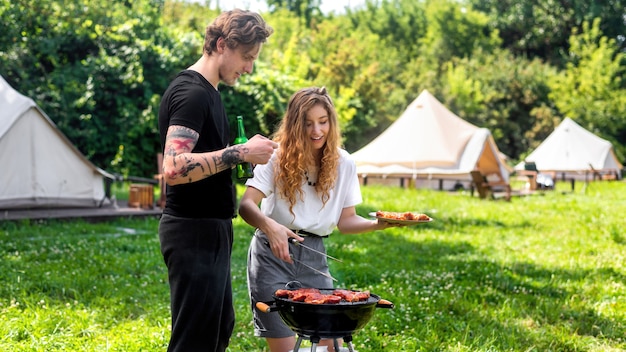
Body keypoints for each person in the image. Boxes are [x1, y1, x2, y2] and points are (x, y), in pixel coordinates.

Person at [238, 87, 403, 352]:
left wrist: (379, 223)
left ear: (331, 123)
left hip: (314, 255)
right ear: (294, 125)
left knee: (331, 345)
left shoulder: (344, 163)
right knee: (284, 348)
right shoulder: (275, 157)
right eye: (308, 123)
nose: (317, 131)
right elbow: (246, 206)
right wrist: (271, 227)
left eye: (323, 122)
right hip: (272, 255)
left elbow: (346, 221)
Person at [157, 9, 277, 352]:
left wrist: (243, 152)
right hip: (192, 231)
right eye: (247, 57)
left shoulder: (211, 93)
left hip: (209, 230)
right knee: (194, 340)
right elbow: (174, 168)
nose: (250, 67)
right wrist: (238, 154)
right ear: (222, 44)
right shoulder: (192, 93)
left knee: (217, 328)